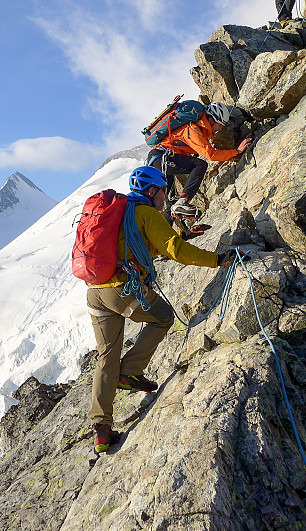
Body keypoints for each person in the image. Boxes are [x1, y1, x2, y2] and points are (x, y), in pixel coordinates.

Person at [86, 166, 236, 453]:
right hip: (123, 289)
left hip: (96, 293)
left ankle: (101, 429)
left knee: (106, 356)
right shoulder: (145, 213)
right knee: (163, 317)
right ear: (152, 191)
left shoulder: (120, 213)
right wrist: (217, 260)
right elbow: (174, 251)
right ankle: (129, 371)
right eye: (163, 191)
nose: (166, 198)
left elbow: (145, 247)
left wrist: (184, 237)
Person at [147, 102, 253, 222]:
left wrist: (230, 156)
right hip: (161, 157)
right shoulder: (191, 129)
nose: (221, 128)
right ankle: (184, 201)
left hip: (160, 160)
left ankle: (166, 238)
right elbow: (210, 154)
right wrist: (237, 151)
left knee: (171, 204)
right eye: (220, 124)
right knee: (200, 165)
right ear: (212, 119)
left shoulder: (199, 130)